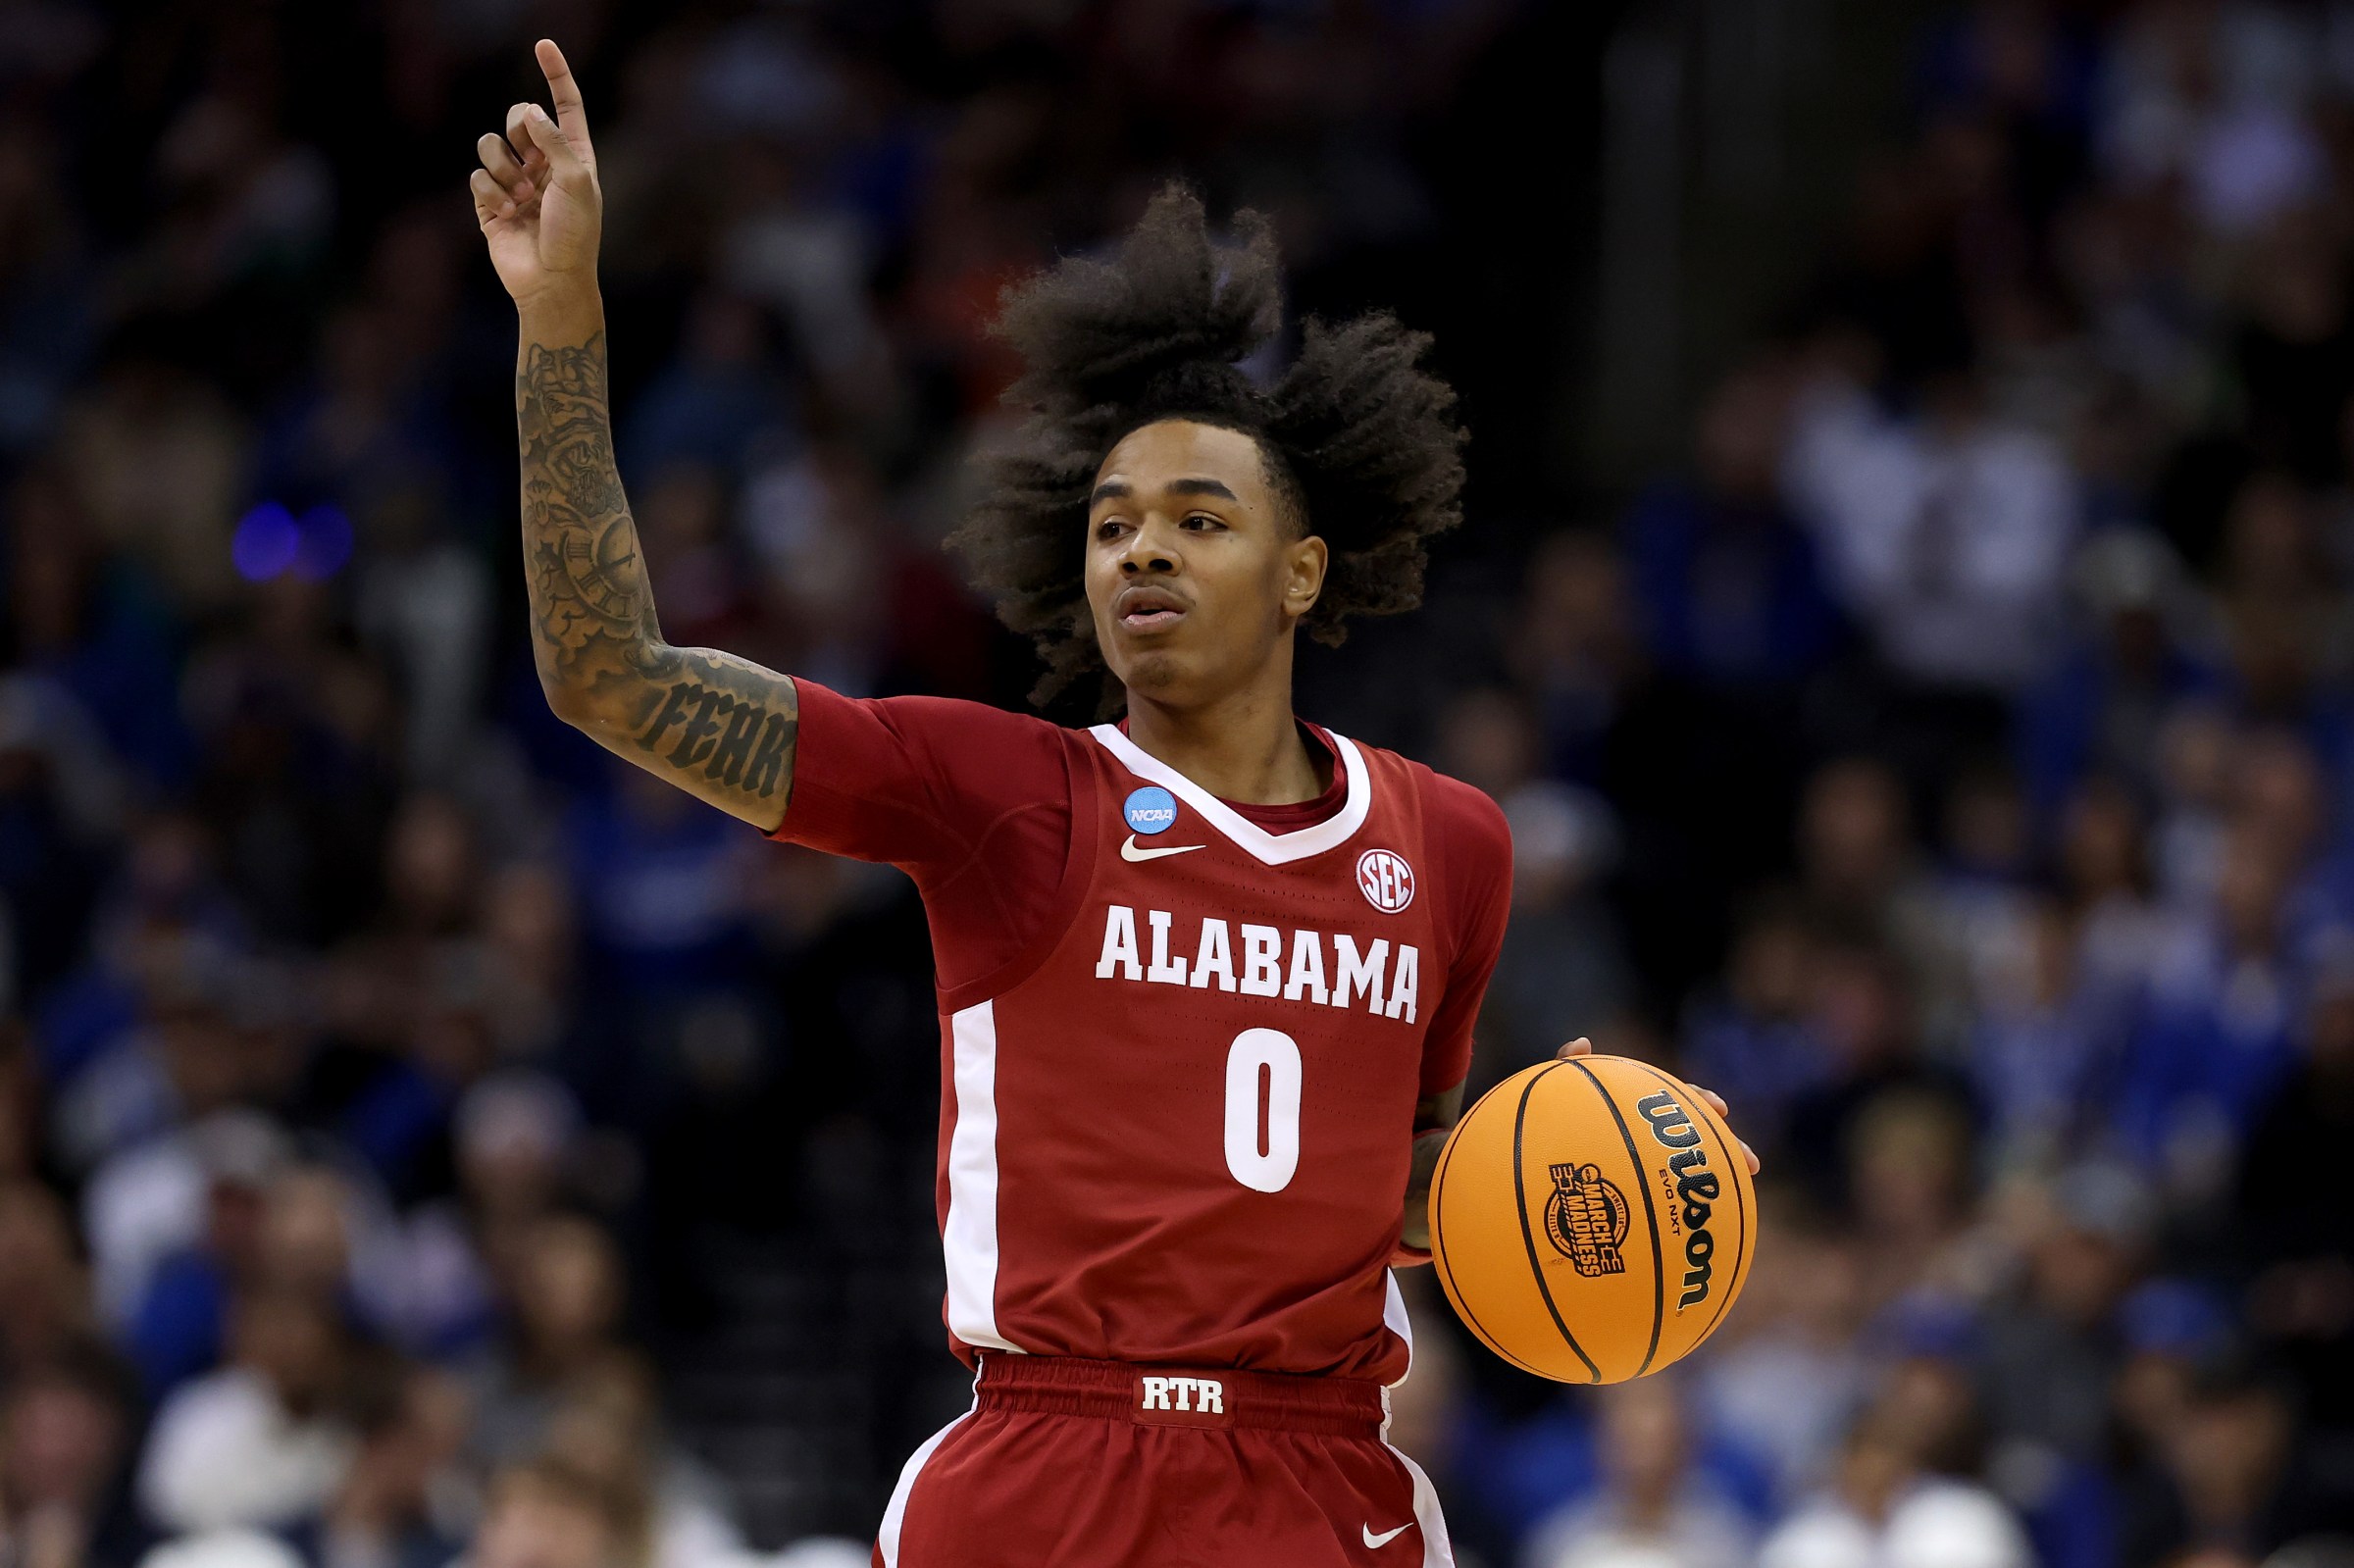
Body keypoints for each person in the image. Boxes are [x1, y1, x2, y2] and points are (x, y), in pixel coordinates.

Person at [468, 42, 1757, 1568]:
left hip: (1317, 1478)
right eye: (1112, 525)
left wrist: (1585, 1158)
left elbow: (1402, 1183)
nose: (1142, 550)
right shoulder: (1007, 795)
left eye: (1198, 520)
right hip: (1045, 1460)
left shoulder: (1451, 844)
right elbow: (611, 676)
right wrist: (563, 320)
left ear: (1301, 571)